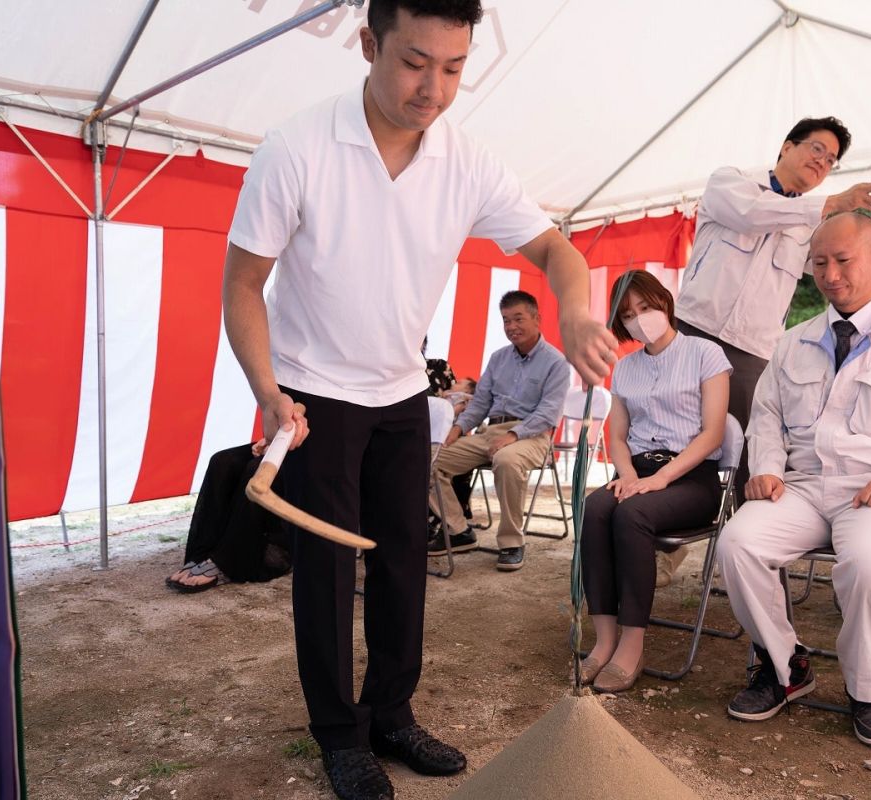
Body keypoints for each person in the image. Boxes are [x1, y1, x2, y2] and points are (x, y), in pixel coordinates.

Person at [220, 1, 617, 797]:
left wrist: (573, 306)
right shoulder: (295, 147)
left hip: (401, 392)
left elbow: (551, 247)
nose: (432, 87)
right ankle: (339, 734)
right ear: (369, 44)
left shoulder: (466, 161)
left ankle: (391, 711)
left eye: (453, 67)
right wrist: (269, 392)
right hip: (316, 393)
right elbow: (243, 285)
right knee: (329, 568)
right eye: (412, 61)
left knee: (407, 556)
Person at [715, 213, 871, 748]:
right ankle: (785, 667)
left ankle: (869, 690)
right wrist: (764, 467)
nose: (830, 274)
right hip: (803, 488)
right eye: (819, 263)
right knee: (737, 542)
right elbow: (766, 417)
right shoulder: (792, 342)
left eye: (844, 260)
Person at [673, 118, 871, 490]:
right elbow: (753, 214)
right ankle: (657, 516)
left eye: (831, 161)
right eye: (817, 149)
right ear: (787, 146)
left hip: (752, 349)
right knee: (670, 429)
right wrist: (832, 203)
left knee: (751, 451)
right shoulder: (732, 183)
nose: (822, 162)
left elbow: (850, 250)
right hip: (693, 329)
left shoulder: (811, 225)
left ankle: (747, 532)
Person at [578, 270, 731, 693]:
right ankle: (604, 637)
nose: (639, 319)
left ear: (664, 302)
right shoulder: (625, 369)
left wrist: (660, 479)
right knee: (594, 508)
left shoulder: (706, 353)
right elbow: (618, 435)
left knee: (631, 515)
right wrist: (628, 475)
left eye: (645, 307)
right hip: (637, 471)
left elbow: (713, 433)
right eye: (628, 314)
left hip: (691, 477)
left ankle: (633, 642)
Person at [427, 290, 570, 571]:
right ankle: (458, 530)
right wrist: (457, 429)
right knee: (427, 458)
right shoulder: (498, 358)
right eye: (506, 320)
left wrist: (514, 435)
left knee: (506, 460)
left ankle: (511, 542)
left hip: (532, 434)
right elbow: (480, 403)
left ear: (537, 318)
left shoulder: (556, 362)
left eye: (518, 318)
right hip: (489, 433)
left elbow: (549, 413)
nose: (511, 327)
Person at [165, 441, 292, 593]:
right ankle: (204, 553)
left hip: (315, 450)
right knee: (223, 461)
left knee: (257, 472)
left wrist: (280, 444)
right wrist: (270, 439)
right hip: (285, 439)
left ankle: (227, 562)